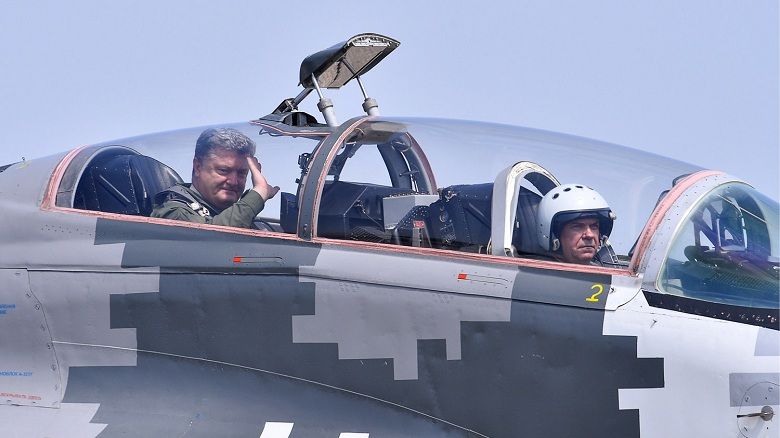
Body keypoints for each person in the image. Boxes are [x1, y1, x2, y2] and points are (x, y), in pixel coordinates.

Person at [151, 127, 279, 228]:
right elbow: (211, 241)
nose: (233, 182)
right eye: (223, 170)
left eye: (241, 173)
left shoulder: (243, 218)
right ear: (198, 167)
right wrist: (259, 193)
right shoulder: (175, 214)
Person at [536, 184, 615, 265]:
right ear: (555, 235)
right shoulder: (537, 271)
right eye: (578, 227)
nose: (589, 235)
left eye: (594, 226)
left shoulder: (603, 271)